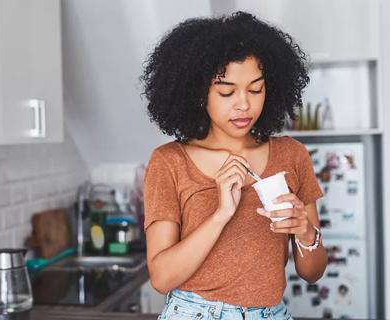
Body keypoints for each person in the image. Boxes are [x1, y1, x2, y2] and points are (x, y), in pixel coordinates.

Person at [140, 11, 328, 320]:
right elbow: (161, 278)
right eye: (226, 91)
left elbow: (312, 273)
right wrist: (221, 215)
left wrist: (306, 232)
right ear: (198, 93)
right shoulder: (169, 162)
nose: (244, 104)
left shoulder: (291, 155)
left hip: (272, 313)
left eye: (256, 89)